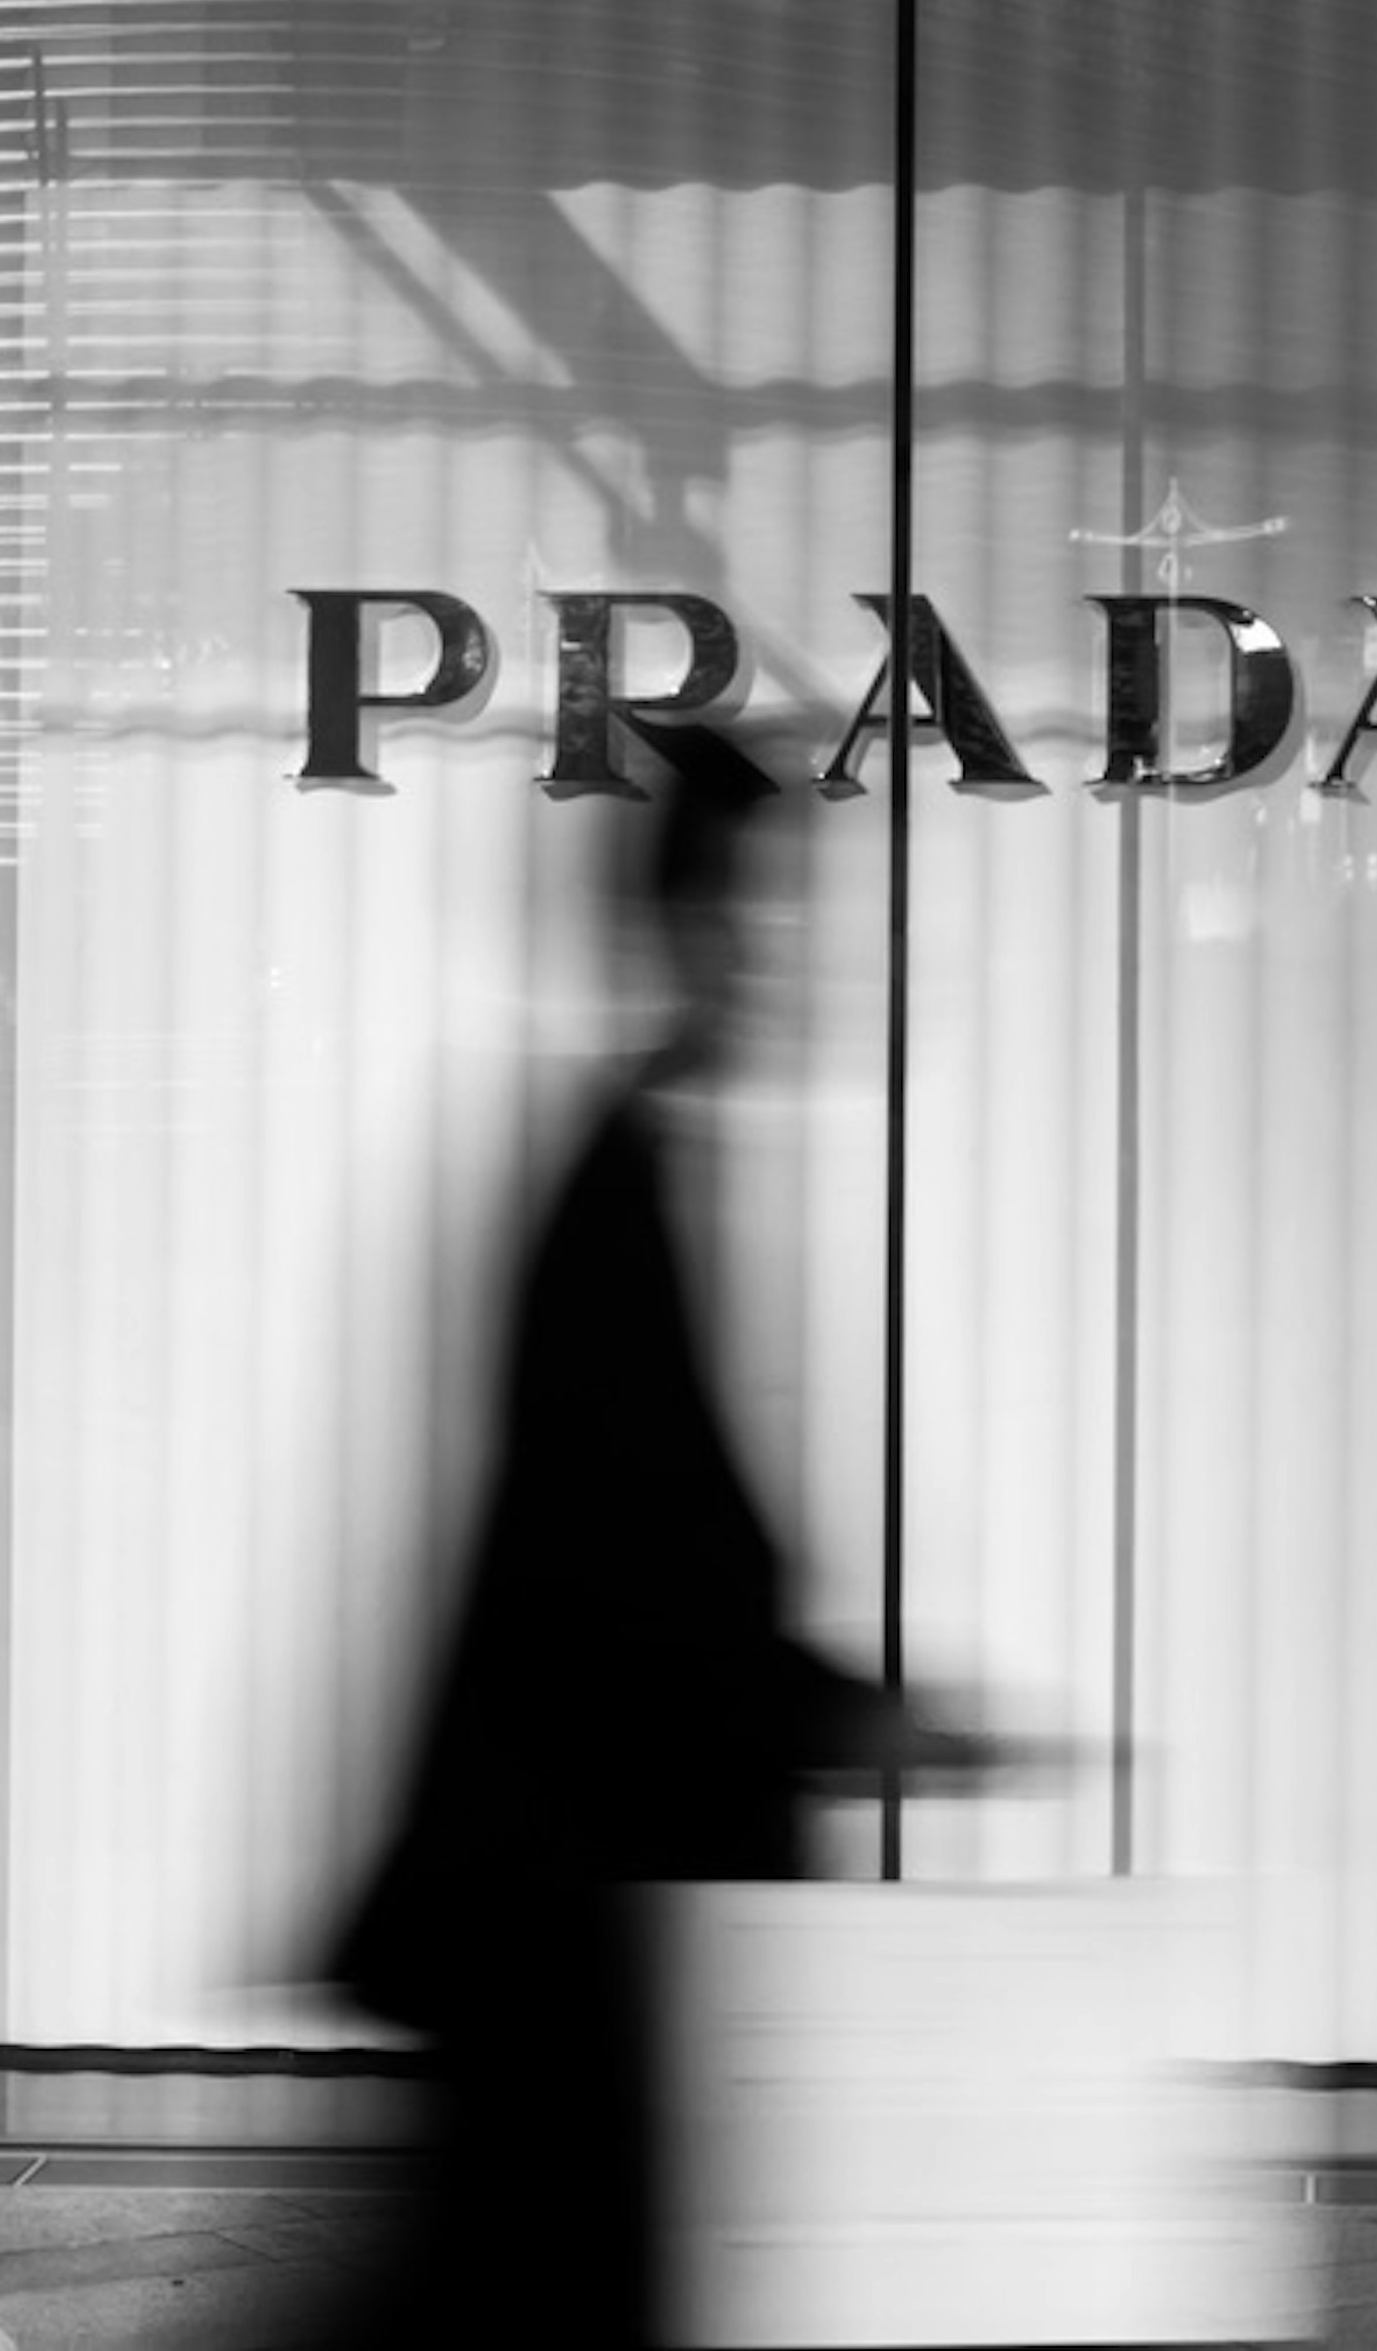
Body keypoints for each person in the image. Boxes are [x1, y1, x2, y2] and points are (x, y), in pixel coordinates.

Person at [325, 726, 933, 2345]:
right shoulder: (617, 1190)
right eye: (765, 906)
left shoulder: (635, 1167)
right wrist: (828, 1706)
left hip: (588, 1919)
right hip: (580, 1930)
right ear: (684, 924)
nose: (797, 952)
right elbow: (624, 1582)